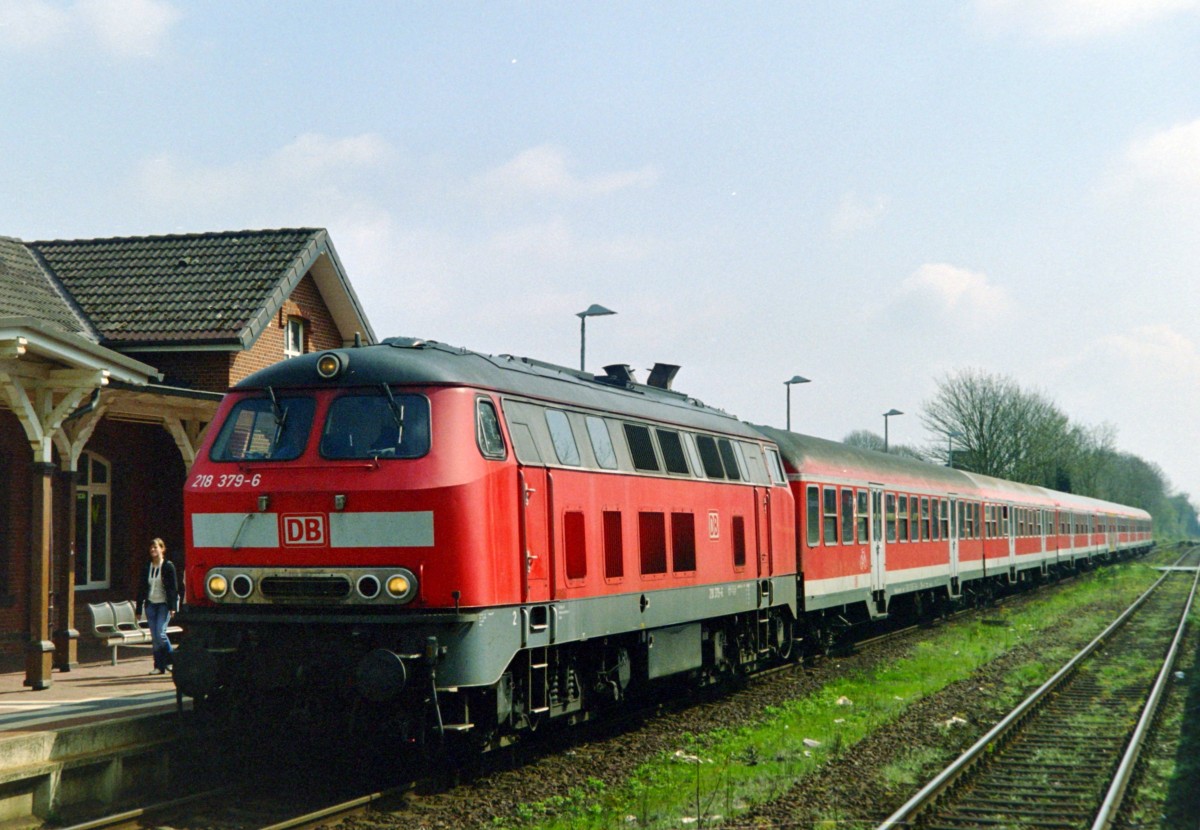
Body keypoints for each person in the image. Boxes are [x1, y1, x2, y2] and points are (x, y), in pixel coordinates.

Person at [135, 537, 179, 675]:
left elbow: (173, 588)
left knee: (161, 633)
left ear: (162, 549)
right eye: (151, 548)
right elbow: (142, 588)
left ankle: (172, 661)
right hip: (151, 605)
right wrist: (139, 607)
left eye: (156, 547)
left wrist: (173, 607)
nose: (153, 550)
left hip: (164, 605)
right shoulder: (147, 567)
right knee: (155, 638)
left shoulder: (168, 566)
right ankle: (159, 666)